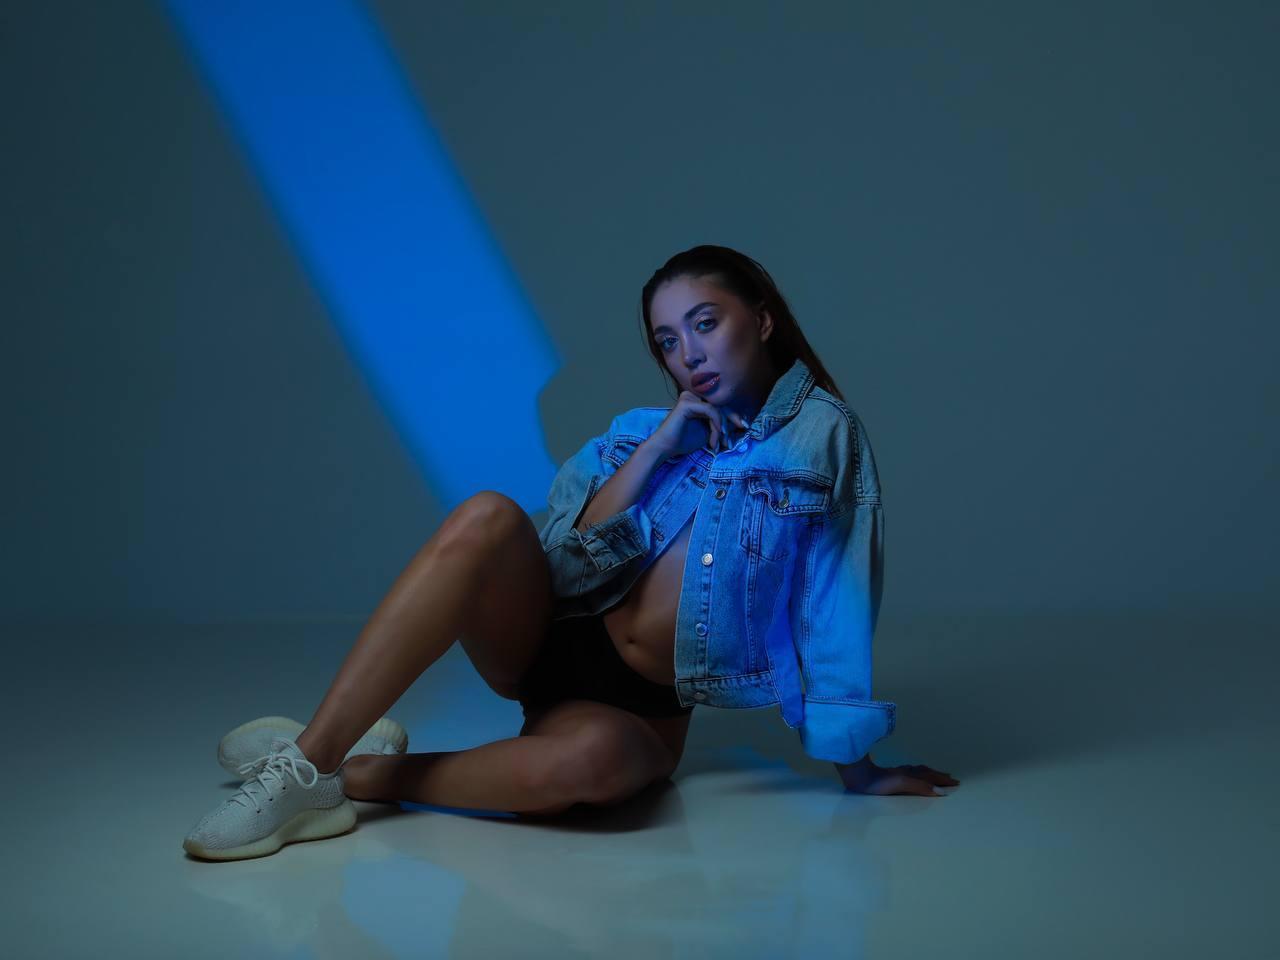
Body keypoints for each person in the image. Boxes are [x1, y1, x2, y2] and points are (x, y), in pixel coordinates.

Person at [182, 243, 959, 861]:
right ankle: (309, 760)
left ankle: (353, 774)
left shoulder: (825, 439)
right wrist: (657, 451)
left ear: (760, 320)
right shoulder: (636, 433)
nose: (688, 353)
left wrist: (858, 767)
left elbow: (836, 606)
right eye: (667, 340)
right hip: (540, 637)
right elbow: (562, 561)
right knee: (487, 516)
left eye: (705, 322)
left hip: (636, 711)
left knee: (585, 770)